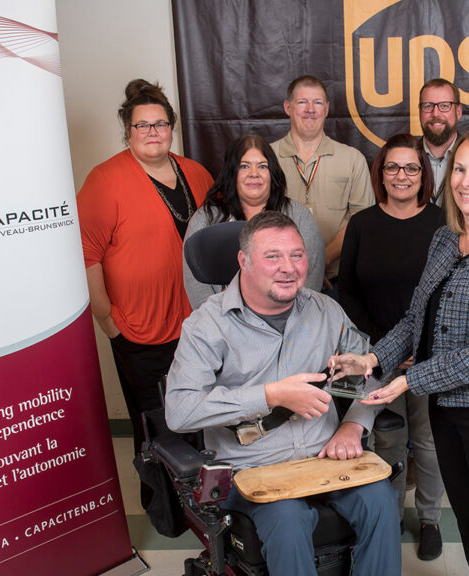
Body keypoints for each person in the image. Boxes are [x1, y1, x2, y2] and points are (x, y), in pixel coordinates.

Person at [332, 125, 469, 576]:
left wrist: (410, 380)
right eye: (460, 169)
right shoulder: (445, 237)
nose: (467, 181)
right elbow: (416, 318)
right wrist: (373, 360)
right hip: (449, 406)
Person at [164, 212, 401, 576]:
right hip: (255, 469)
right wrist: (271, 395)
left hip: (325, 458)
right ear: (244, 261)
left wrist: (353, 426)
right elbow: (179, 411)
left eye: (297, 255)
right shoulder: (206, 326)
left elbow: (364, 378)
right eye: (273, 256)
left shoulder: (326, 310)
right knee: (288, 519)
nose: (288, 268)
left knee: (381, 499)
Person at [77, 79, 213, 511]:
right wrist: (107, 320)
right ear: (128, 131)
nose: (152, 132)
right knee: (156, 424)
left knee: (201, 415)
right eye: (142, 126)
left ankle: (203, 504)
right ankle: (166, 510)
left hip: (197, 322)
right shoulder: (105, 179)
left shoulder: (196, 172)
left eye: (160, 124)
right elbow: (86, 255)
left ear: (172, 127)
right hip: (139, 327)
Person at [337, 133, 447, 560]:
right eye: (392, 168)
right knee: (386, 439)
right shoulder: (362, 224)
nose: (401, 175)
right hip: (374, 356)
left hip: (428, 356)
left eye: (411, 168)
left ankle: (430, 519)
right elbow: (346, 290)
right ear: (380, 174)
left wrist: (415, 348)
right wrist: (381, 348)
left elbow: (448, 292)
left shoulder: (443, 224)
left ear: (424, 175)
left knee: (428, 440)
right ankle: (390, 513)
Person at [183, 134, 324, 307]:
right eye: (244, 166)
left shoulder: (299, 216)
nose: (254, 174)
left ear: (272, 172)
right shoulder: (206, 217)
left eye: (262, 166)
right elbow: (194, 278)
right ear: (232, 173)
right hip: (222, 325)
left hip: (288, 324)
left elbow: (311, 275)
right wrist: (216, 321)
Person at [273, 75, 375, 292]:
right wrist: (297, 267)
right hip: (279, 279)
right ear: (287, 107)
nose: (310, 109)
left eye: (317, 103)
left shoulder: (352, 159)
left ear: (326, 109)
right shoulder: (267, 159)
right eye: (302, 102)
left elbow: (361, 219)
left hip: (336, 280)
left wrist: (321, 262)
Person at [417, 78, 463, 205]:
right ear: (419, 112)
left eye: (444, 106)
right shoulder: (407, 157)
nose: (435, 114)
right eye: (428, 106)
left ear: (458, 111)